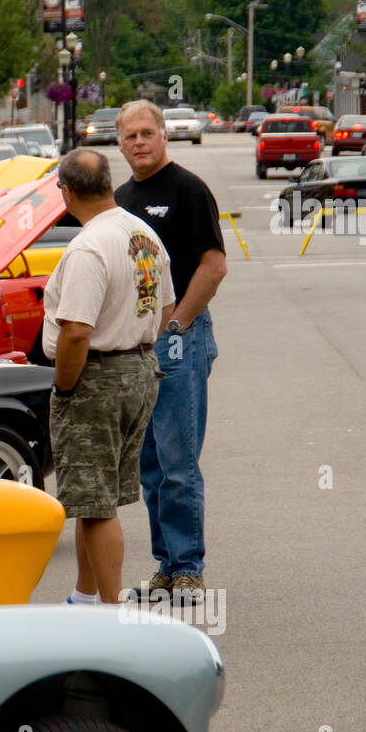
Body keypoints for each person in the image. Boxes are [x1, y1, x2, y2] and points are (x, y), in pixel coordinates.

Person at [44, 149, 174, 606]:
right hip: (139, 368)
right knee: (93, 497)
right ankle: (84, 597)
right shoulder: (143, 233)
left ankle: (110, 609)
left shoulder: (87, 246)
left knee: (95, 505)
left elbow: (76, 331)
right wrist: (134, 339)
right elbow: (166, 308)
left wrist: (64, 385)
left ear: (67, 190)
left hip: (96, 376)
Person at [113, 99, 227, 606]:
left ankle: (187, 568)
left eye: (146, 133)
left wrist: (176, 324)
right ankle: (165, 563)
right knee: (151, 464)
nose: (138, 142)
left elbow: (214, 265)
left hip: (180, 338)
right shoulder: (119, 200)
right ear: (119, 143)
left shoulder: (188, 190)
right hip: (135, 345)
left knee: (179, 460)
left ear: (163, 136)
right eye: (129, 135)